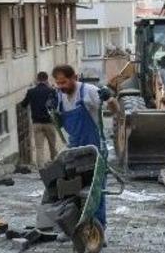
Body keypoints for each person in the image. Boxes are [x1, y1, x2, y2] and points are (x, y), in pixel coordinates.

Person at [51, 64, 119, 228]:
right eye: (58, 83)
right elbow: (61, 124)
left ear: (75, 77)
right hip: (75, 150)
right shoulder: (60, 96)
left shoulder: (88, 91)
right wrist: (52, 112)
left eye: (64, 82)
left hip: (95, 149)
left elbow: (116, 110)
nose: (61, 86)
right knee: (73, 188)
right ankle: (73, 225)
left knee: (96, 191)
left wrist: (109, 98)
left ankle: (98, 227)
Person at [22, 71, 59, 168]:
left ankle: (41, 168)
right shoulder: (51, 91)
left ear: (37, 80)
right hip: (49, 123)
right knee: (52, 146)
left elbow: (23, 104)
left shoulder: (31, 92)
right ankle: (55, 165)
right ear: (47, 80)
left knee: (39, 147)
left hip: (37, 123)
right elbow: (56, 105)